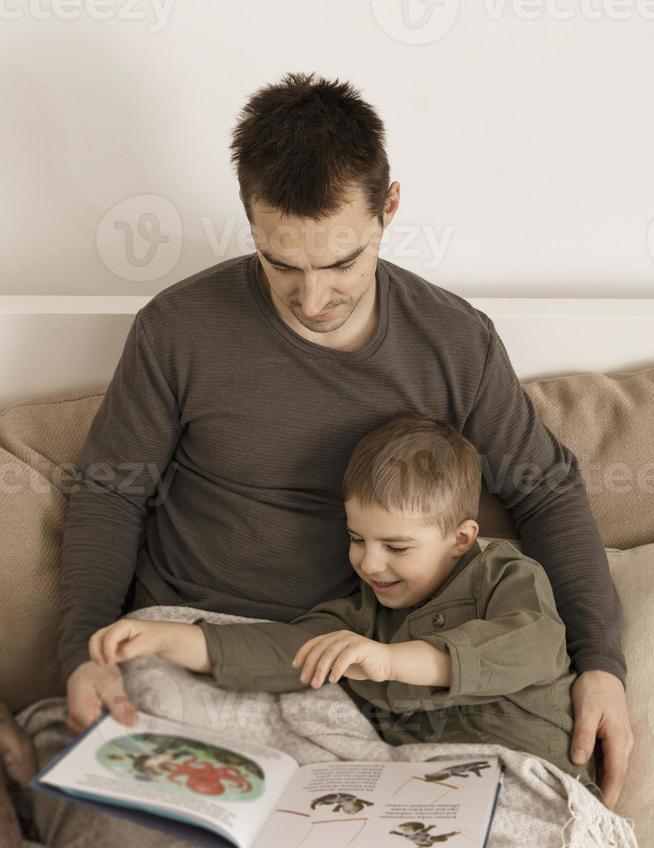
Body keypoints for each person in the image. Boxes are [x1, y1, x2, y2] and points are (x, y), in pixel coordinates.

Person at [60, 71, 632, 810]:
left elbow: (546, 492)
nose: (313, 299)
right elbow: (109, 494)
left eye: (341, 263)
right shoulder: (178, 329)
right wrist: (83, 653)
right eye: (281, 265)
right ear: (251, 223)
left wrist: (601, 665)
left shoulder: (453, 343)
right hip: (187, 647)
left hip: (358, 674)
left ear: (387, 209)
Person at [88, 415, 603, 802]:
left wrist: (393, 660)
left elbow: (531, 643)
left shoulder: (504, 575)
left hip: (536, 781)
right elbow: (286, 649)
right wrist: (165, 638)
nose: (369, 563)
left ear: (460, 538)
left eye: (396, 548)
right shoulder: (365, 616)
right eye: (357, 538)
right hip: (428, 792)